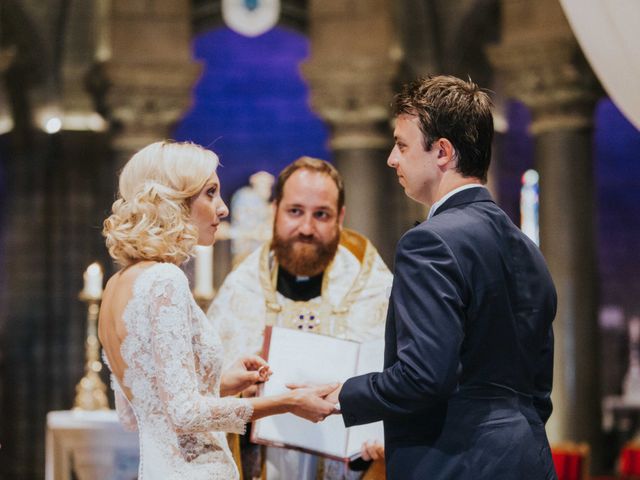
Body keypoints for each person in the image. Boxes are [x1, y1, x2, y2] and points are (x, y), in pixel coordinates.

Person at [326, 75, 558, 479]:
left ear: (443, 152)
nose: (391, 159)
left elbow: (423, 377)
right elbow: (539, 389)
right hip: (529, 459)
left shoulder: (429, 243)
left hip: (456, 461)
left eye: (401, 145)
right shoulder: (528, 250)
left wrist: (342, 396)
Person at [98, 141, 337, 480]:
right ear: (174, 200)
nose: (223, 209)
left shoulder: (117, 285)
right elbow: (183, 415)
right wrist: (289, 403)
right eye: (210, 193)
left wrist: (222, 383)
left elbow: (137, 413)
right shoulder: (166, 280)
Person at [207, 157, 392, 480]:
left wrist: (378, 444)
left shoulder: (373, 289)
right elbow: (207, 394)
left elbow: (399, 387)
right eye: (295, 212)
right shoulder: (243, 289)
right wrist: (245, 398)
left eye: (321, 215)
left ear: (340, 218)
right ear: (274, 210)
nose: (306, 228)